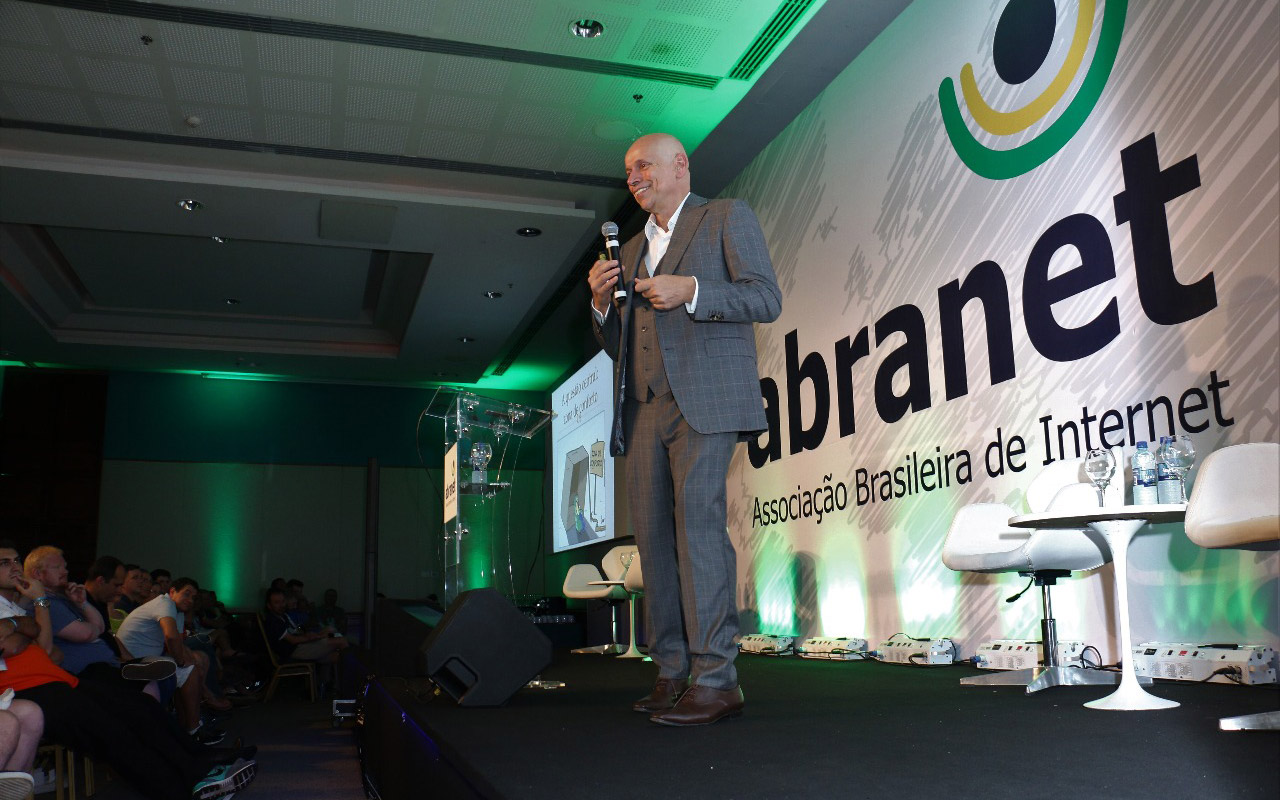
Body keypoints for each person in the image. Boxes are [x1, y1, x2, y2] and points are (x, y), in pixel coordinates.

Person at [587, 132, 781, 727]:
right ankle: (671, 671)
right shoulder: (632, 248)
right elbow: (619, 344)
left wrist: (692, 289)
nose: (634, 178)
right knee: (652, 540)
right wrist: (601, 305)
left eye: (643, 165)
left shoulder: (724, 216)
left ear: (680, 165)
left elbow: (765, 299)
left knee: (698, 528)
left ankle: (717, 679)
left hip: (706, 400)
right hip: (644, 406)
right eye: (628, 171)